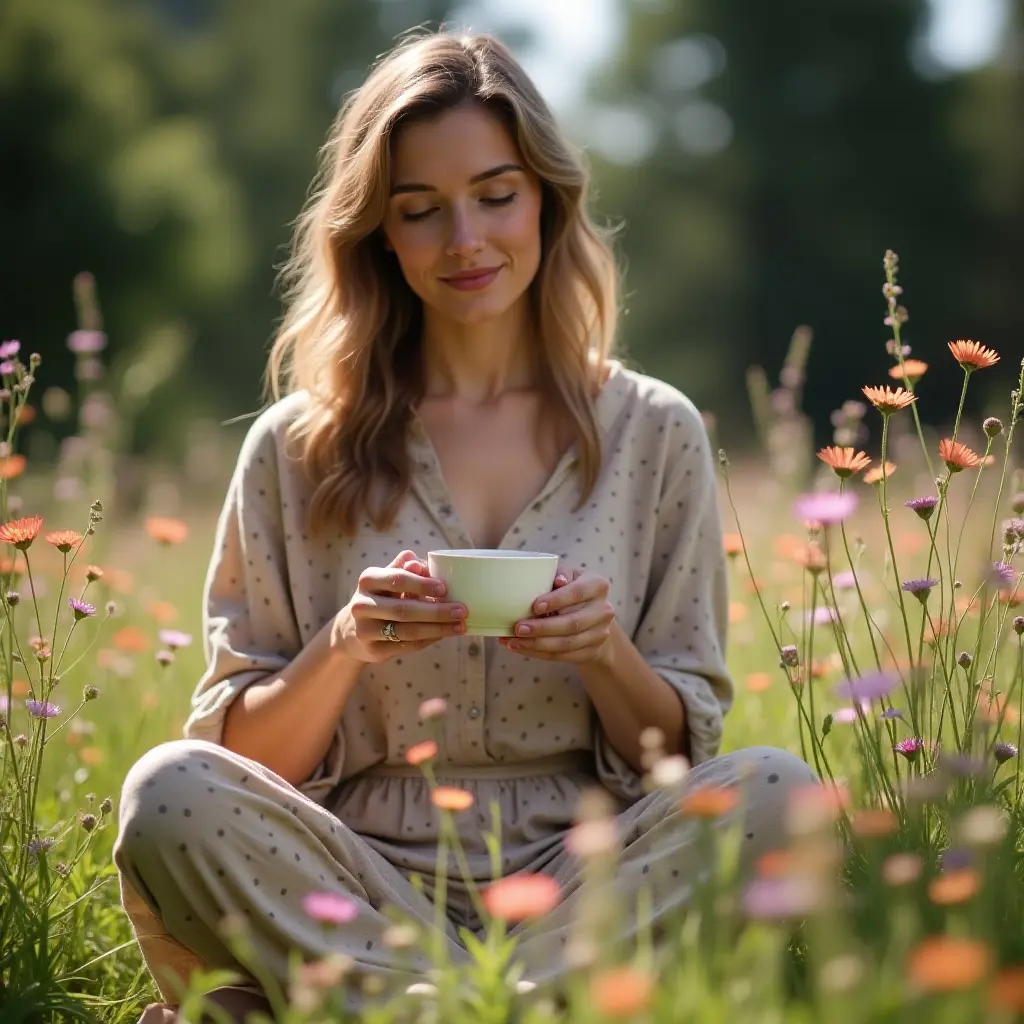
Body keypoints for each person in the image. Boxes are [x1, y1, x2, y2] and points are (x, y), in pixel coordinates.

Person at [115, 28, 816, 1023]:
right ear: (379, 235)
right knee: (169, 790)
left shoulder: (654, 431)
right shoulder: (292, 445)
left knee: (777, 790)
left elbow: (676, 755)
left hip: (585, 886)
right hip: (351, 882)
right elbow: (245, 761)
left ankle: (394, 1010)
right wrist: (347, 645)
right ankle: (514, 1011)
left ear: (546, 197)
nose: (466, 242)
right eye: (420, 211)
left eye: (496, 194)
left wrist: (604, 651)